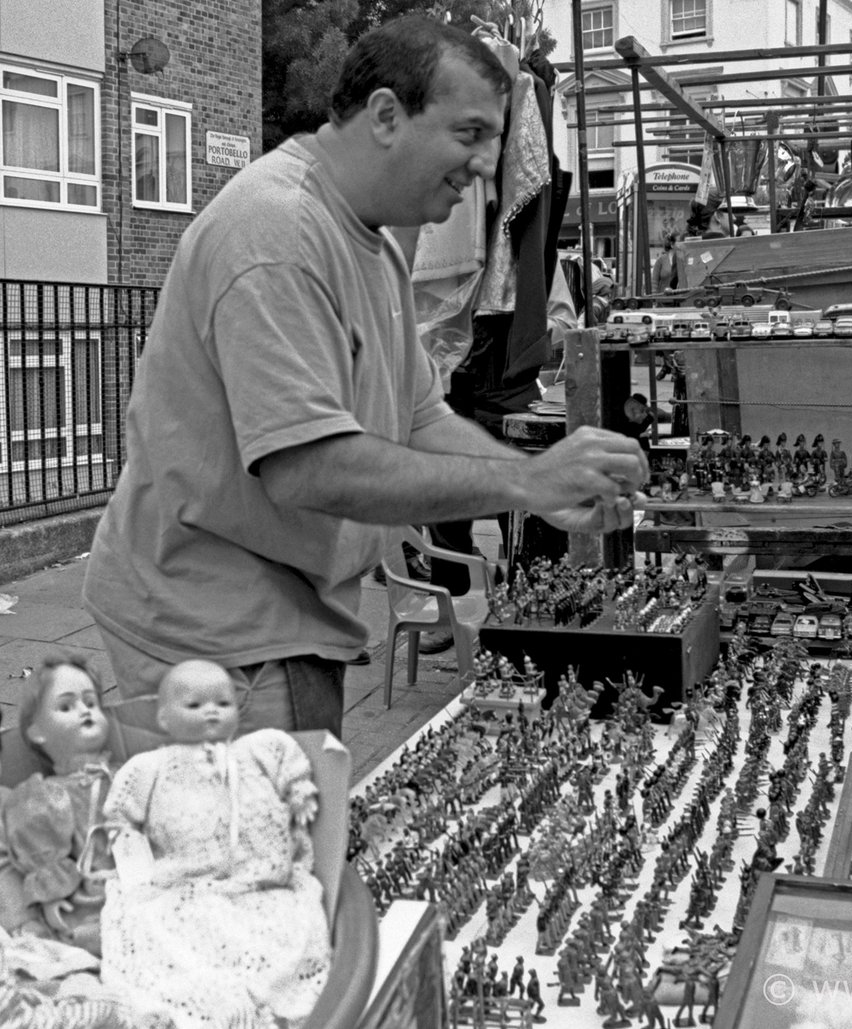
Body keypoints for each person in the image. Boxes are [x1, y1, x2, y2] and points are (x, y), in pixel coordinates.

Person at [81, 16, 648, 745]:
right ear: (386, 114)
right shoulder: (276, 233)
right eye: (470, 133)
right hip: (215, 635)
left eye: (494, 141)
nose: (485, 165)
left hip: (284, 616)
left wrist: (538, 474)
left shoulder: (374, 241)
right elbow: (307, 467)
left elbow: (417, 417)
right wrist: (525, 485)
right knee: (256, 849)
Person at [102, 660, 330, 1028]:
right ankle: (214, 998)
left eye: (222, 704)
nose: (211, 711)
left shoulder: (256, 749)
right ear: (164, 718)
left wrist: (299, 791)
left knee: (288, 925)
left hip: (258, 880)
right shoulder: (152, 768)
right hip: (186, 884)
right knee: (160, 931)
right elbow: (120, 817)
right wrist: (133, 864)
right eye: (194, 705)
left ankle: (262, 995)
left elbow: (290, 761)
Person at [2, 655, 115, 953]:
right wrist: (47, 902)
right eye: (66, 706)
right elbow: (34, 859)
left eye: (91, 703)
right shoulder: (43, 797)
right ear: (36, 731)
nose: (84, 711)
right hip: (91, 907)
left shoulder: (129, 774)